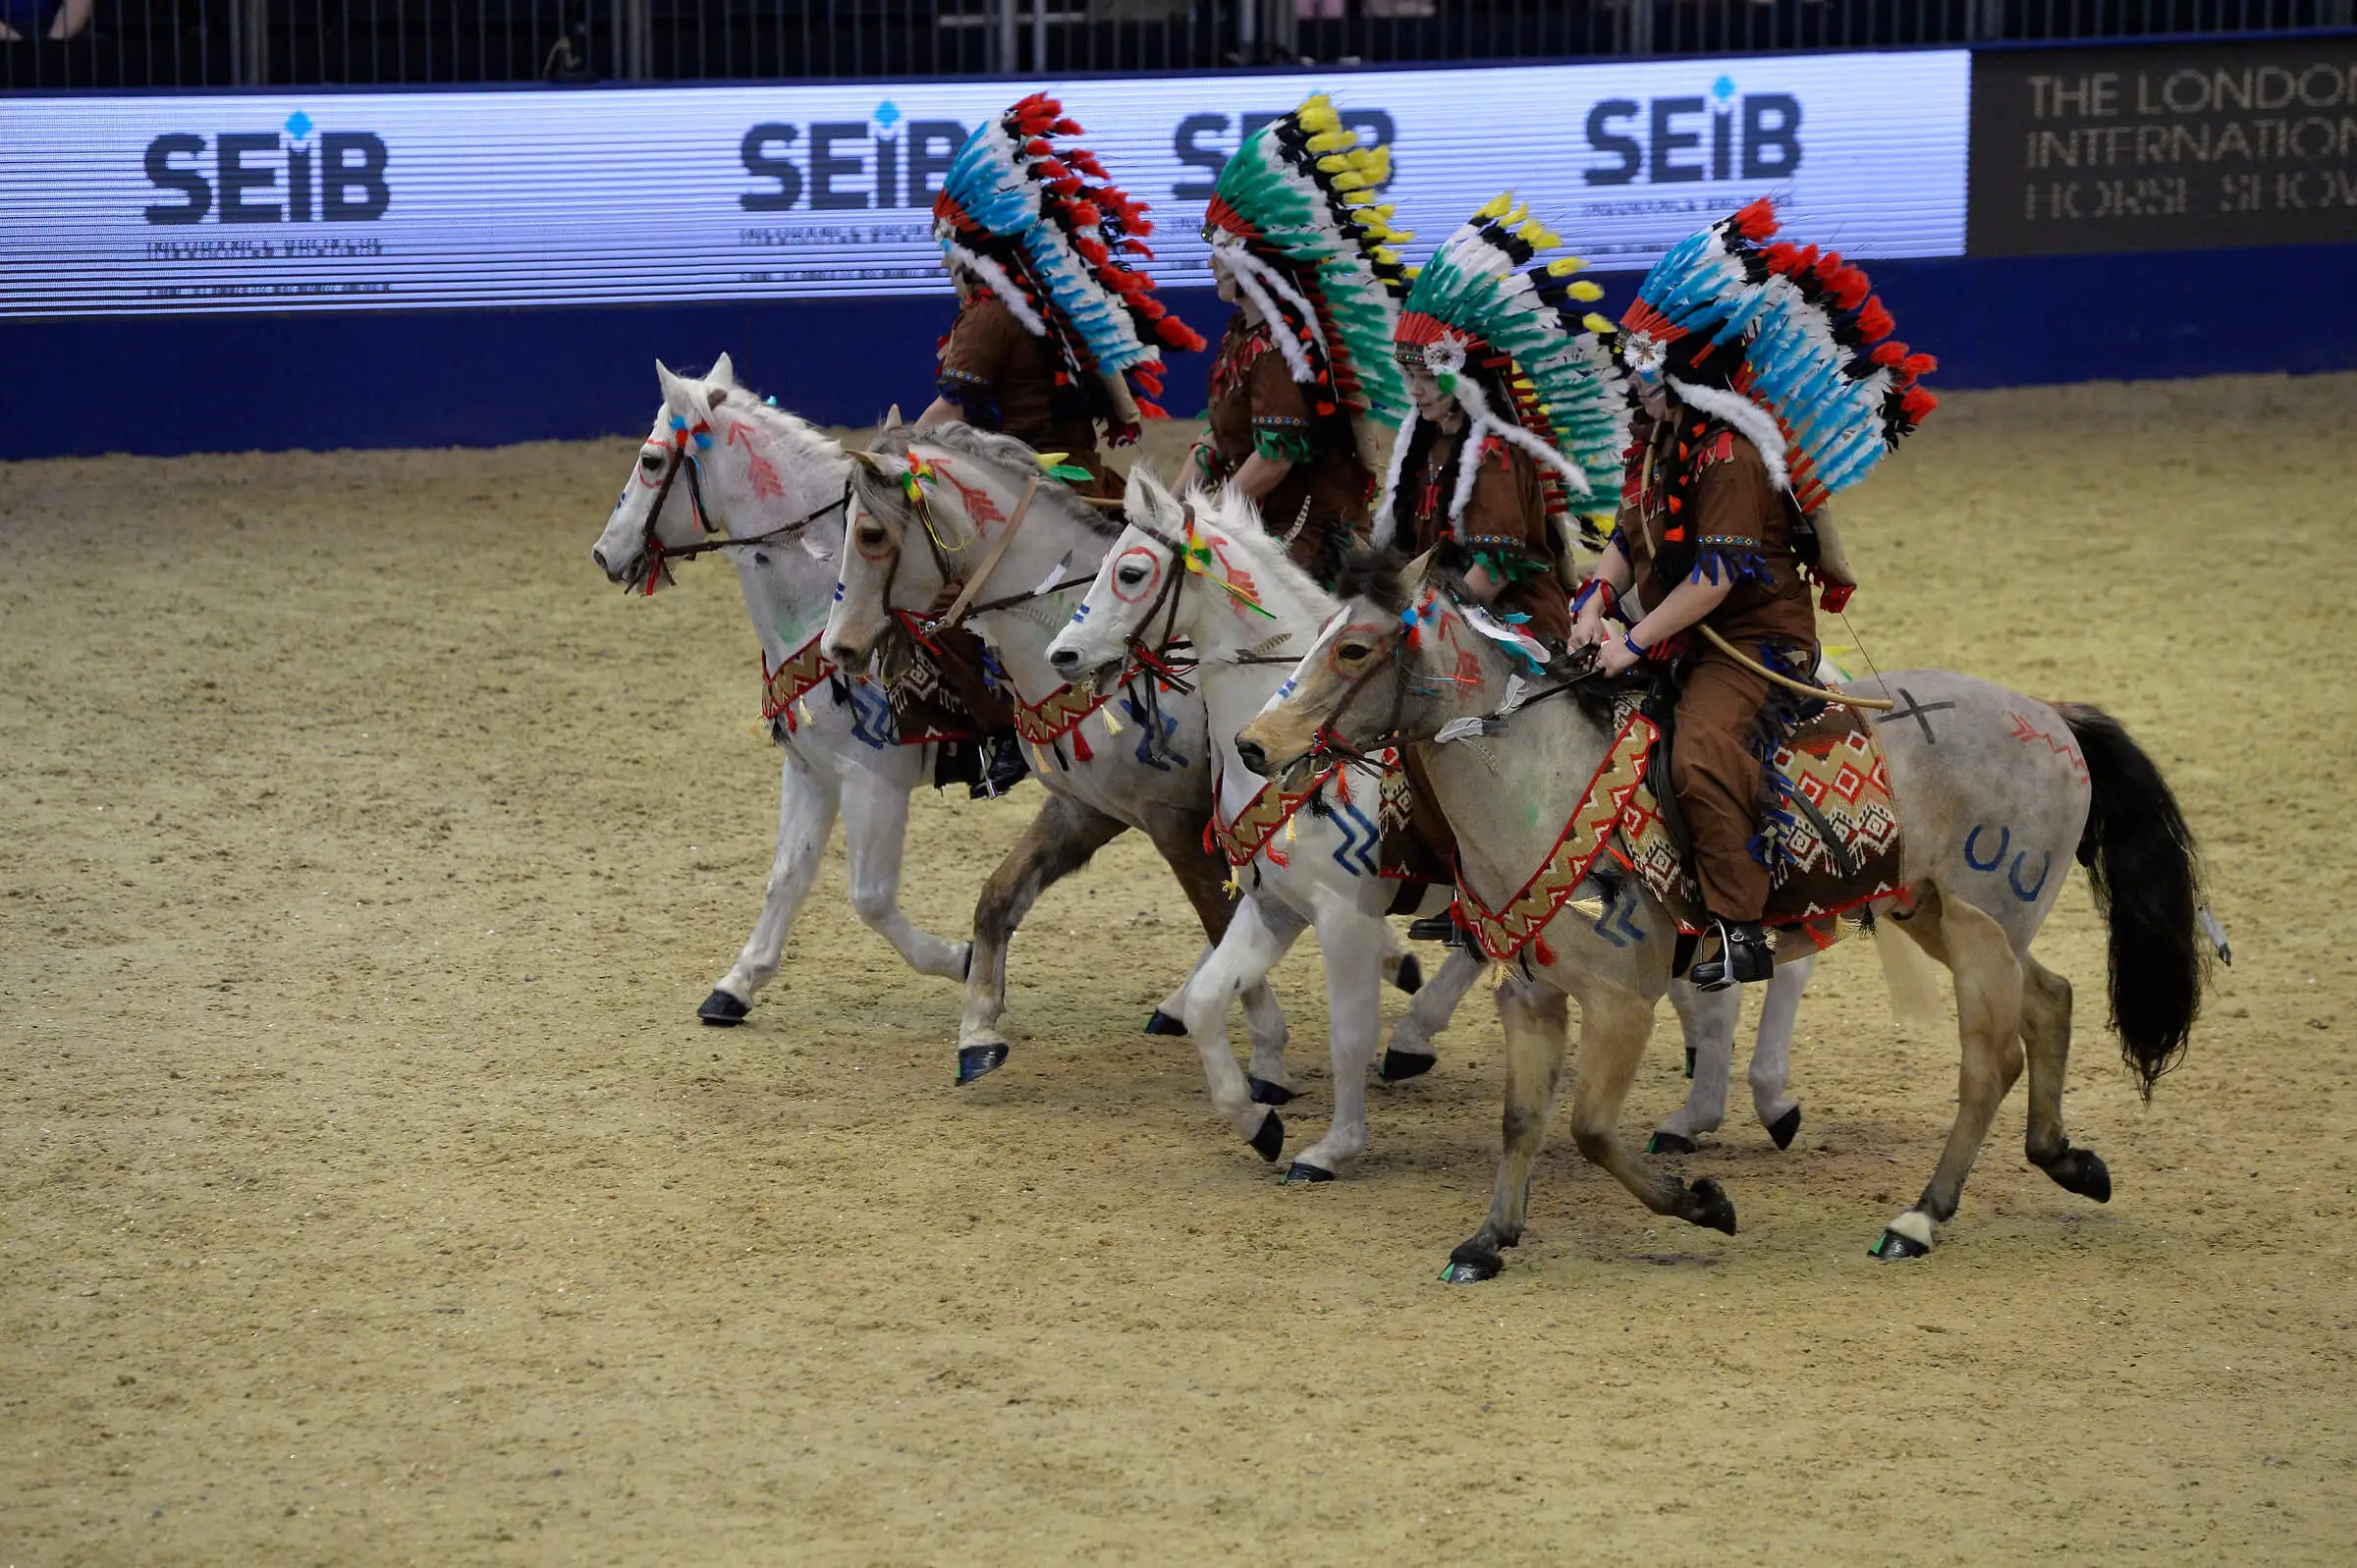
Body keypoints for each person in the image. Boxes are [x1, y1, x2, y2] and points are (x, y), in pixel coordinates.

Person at [1570, 197, 1938, 990]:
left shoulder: (1731, 454)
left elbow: (1715, 576)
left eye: (1645, 365)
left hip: (1754, 640)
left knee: (1701, 751)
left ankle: (1742, 926)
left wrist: (1632, 641)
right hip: (1682, 632)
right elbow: (1627, 537)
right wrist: (1594, 601)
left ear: (1686, 371)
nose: (1633, 379)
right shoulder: (1658, 440)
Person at [911, 92, 1205, 794]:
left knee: (930, 604)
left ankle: (998, 731)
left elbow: (945, 416)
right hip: (1083, 482)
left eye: (944, 248)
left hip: (1026, 500)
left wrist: (884, 453)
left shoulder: (988, 317)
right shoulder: (1054, 307)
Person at [1372, 193, 1630, 918]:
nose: (1415, 390)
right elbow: (1396, 547)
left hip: (1510, 620)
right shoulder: (1424, 445)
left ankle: (1545, 862)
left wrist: (1420, 627)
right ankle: (1440, 871)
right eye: (1409, 375)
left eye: (1426, 375)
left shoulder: (1494, 455)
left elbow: (1494, 566)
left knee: (1483, 740)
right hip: (1447, 617)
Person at [1192, 94, 1410, 587]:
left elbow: (1274, 457)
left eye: (1220, 250)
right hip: (1252, 520)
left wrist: (1206, 517)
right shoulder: (1239, 338)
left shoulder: (1279, 351)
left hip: (1302, 536)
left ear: (1254, 260)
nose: (1211, 263)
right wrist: (1169, 510)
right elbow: (1214, 438)